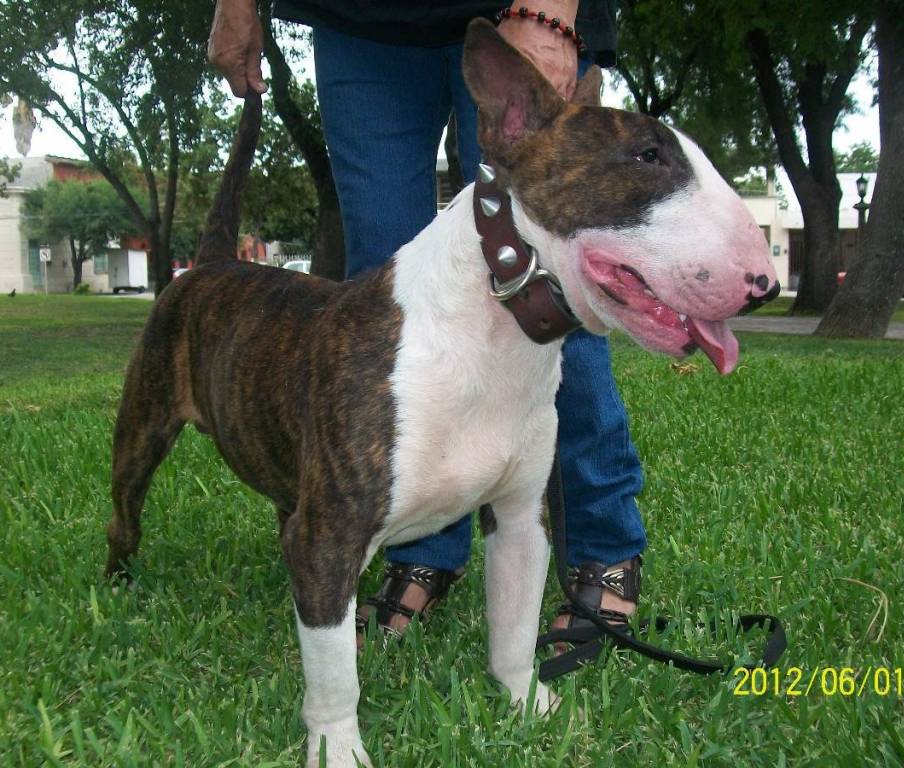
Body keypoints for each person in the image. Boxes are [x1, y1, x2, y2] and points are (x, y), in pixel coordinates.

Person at [209, 0, 646, 648]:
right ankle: (422, 549)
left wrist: (549, 12)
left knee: (551, 275)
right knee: (378, 295)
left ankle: (602, 546)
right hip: (361, 22)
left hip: (518, 9)